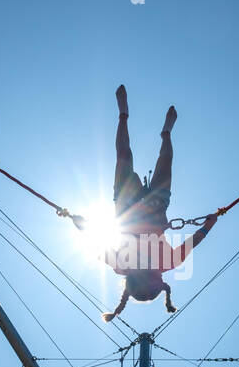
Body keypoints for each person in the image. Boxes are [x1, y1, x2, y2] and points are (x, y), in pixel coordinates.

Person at [85, 85, 217, 322]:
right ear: (158, 280)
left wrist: (79, 223)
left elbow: (95, 244)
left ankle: (123, 114)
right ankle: (166, 132)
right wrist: (210, 223)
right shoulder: (165, 263)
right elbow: (194, 241)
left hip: (127, 207)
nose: (149, 270)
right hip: (155, 206)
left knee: (124, 155)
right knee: (164, 159)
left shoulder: (122, 265)